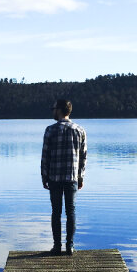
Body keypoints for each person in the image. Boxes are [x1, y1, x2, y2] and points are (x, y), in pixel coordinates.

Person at [41, 99, 87, 256]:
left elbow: (45, 156)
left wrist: (44, 176)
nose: (52, 111)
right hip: (72, 178)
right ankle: (70, 246)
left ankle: (57, 246)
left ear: (59, 110)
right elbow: (83, 157)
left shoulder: (50, 130)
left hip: (54, 177)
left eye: (53, 108)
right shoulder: (80, 130)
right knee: (71, 211)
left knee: (56, 212)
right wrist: (80, 177)